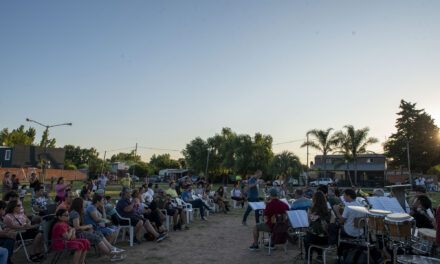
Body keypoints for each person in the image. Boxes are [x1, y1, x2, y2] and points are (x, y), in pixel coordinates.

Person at [303, 191, 331, 260]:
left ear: (314, 199)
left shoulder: (311, 209)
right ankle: (320, 255)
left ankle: (308, 258)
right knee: (318, 235)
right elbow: (330, 225)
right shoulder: (329, 211)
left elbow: (309, 224)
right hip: (326, 239)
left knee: (306, 239)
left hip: (314, 239)